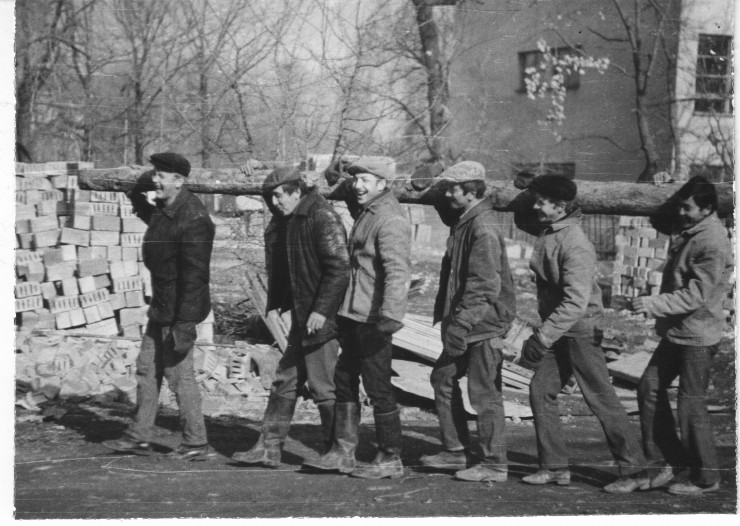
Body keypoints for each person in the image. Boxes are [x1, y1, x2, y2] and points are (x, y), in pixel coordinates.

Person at [519, 174, 649, 492]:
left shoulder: (574, 243)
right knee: (541, 390)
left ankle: (636, 471)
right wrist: (527, 185)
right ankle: (554, 468)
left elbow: (575, 302)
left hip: (579, 330)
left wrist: (542, 337)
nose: (535, 207)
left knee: (600, 398)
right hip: (561, 329)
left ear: (561, 206)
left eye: (541, 202)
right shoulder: (552, 229)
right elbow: (522, 216)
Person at [231, 167, 350, 468]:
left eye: (278, 195)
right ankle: (268, 448)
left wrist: (321, 310)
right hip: (302, 316)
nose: (274, 202)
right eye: (270, 197)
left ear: (297, 192)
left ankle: (338, 453)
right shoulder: (290, 219)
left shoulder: (321, 216)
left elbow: (339, 268)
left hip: (320, 319)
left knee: (323, 386)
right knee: (284, 381)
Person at [103, 152, 215, 460]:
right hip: (163, 305)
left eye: (161, 176)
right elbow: (140, 199)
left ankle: (196, 443)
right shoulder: (166, 210)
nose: (155, 180)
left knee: (179, 377)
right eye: (154, 174)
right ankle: (139, 436)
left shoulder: (194, 220)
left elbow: (196, 278)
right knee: (147, 370)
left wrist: (185, 324)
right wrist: (144, 178)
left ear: (179, 181)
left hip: (179, 310)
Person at [303, 160, 411, 479]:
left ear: (383, 184)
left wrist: (390, 316)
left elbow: (397, 272)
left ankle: (390, 457)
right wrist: (339, 175)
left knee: (378, 388)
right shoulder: (369, 210)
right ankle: (343, 452)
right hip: (353, 313)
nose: (358, 186)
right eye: (356, 179)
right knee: (344, 379)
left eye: (365, 179)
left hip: (373, 318)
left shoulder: (390, 219)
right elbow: (351, 194)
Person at [632, 176, 732, 496]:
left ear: (707, 208)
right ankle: (671, 461)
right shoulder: (693, 226)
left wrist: (653, 304)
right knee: (649, 388)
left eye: (687, 207)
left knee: (691, 405)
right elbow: (661, 219)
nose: (681, 212)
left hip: (698, 337)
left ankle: (706, 477)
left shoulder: (712, 241)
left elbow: (696, 296)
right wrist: (666, 186)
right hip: (679, 332)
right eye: (680, 205)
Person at [419, 161, 516, 483]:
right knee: (443, 378)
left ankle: (495, 464)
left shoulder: (482, 227)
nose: (447, 194)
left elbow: (485, 285)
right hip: (469, 320)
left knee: (484, 393)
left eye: (453, 189)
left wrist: (460, 325)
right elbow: (441, 201)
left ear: (472, 192)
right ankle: (455, 450)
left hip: (483, 325)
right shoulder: (465, 220)